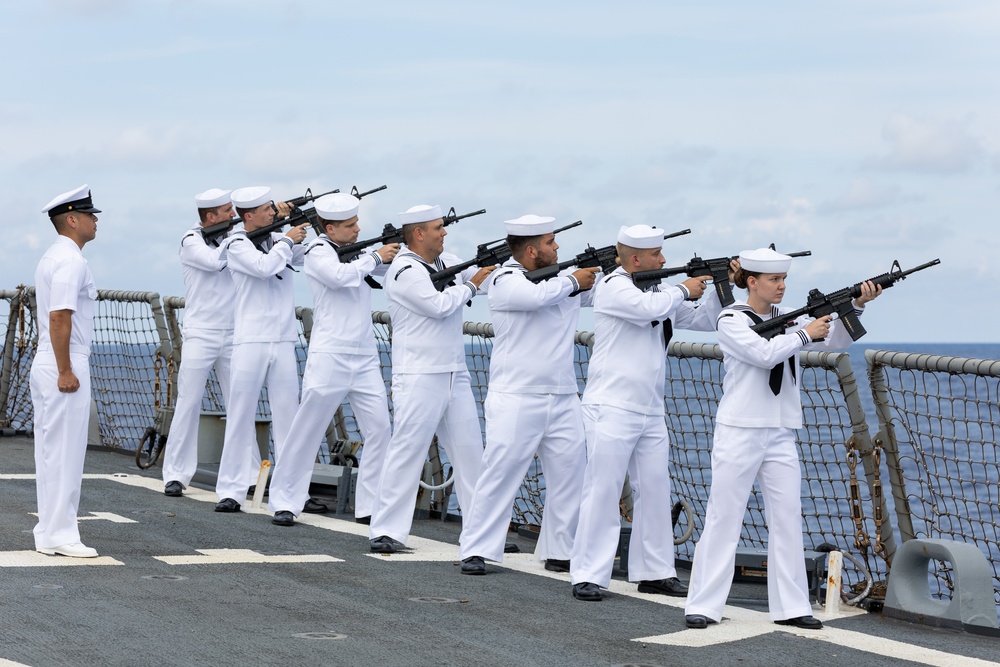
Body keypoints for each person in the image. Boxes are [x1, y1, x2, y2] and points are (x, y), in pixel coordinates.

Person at [683, 248, 881, 629]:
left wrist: (854, 304)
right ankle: (703, 605)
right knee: (724, 517)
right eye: (774, 280)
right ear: (752, 282)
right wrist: (805, 332)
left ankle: (791, 607)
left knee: (788, 518)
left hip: (779, 431)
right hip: (740, 429)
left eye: (784, 280)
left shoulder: (789, 320)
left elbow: (835, 342)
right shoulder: (731, 319)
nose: (781, 286)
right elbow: (763, 354)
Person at [570, 224, 722, 601]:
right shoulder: (612, 286)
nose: (664, 260)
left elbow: (704, 320)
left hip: (650, 407)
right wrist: (683, 288)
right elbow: (645, 311)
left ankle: (654, 570)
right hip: (612, 405)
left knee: (654, 489)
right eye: (657, 255)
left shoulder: (658, 291)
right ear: (636, 259)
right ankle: (588, 573)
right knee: (602, 489)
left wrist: (719, 284)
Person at [458, 214, 600, 575]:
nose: (557, 248)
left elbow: (600, 294)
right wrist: (573, 279)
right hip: (517, 395)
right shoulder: (505, 279)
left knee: (570, 476)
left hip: (564, 393)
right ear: (533, 250)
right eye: (552, 243)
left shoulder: (560, 282)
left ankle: (561, 550)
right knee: (500, 473)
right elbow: (533, 298)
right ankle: (476, 548)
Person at [368, 204, 495, 553]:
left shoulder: (443, 261)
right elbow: (438, 305)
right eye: (439, 227)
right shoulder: (404, 270)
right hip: (420, 374)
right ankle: (387, 530)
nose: (445, 232)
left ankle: (482, 533)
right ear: (419, 234)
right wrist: (471, 286)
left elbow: (472, 281)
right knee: (407, 451)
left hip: (455, 372)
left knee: (471, 454)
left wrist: (487, 274)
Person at [268, 193, 399, 526]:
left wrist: (396, 251)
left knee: (381, 430)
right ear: (329, 227)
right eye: (350, 225)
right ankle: (286, 500)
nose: (357, 229)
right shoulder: (316, 252)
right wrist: (376, 256)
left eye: (357, 223)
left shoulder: (359, 253)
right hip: (330, 355)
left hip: (365, 356)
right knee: (307, 430)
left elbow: (389, 270)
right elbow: (340, 277)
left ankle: (369, 506)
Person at [213, 186, 321, 513]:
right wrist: (288, 239)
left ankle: (290, 495)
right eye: (266, 209)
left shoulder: (278, 240)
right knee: (241, 413)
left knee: (289, 417)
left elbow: (312, 254)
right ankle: (231, 490)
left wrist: (311, 226)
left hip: (283, 338)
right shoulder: (235, 243)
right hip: (250, 339)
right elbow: (264, 268)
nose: (273, 212)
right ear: (249, 215)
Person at [162, 188, 251, 497]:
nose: (234, 215)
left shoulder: (235, 236)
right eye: (228, 211)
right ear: (211, 217)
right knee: (188, 402)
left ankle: (249, 472)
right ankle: (176, 473)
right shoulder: (191, 240)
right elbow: (213, 261)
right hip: (202, 332)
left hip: (234, 332)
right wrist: (238, 237)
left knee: (241, 402)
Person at [32, 184, 101, 558]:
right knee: (65, 452)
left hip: (50, 358)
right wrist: (66, 371)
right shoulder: (71, 260)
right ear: (72, 219)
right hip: (64, 359)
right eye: (90, 215)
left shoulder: (52, 256)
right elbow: (60, 316)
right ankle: (61, 534)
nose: (95, 221)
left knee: (51, 451)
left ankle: (49, 531)